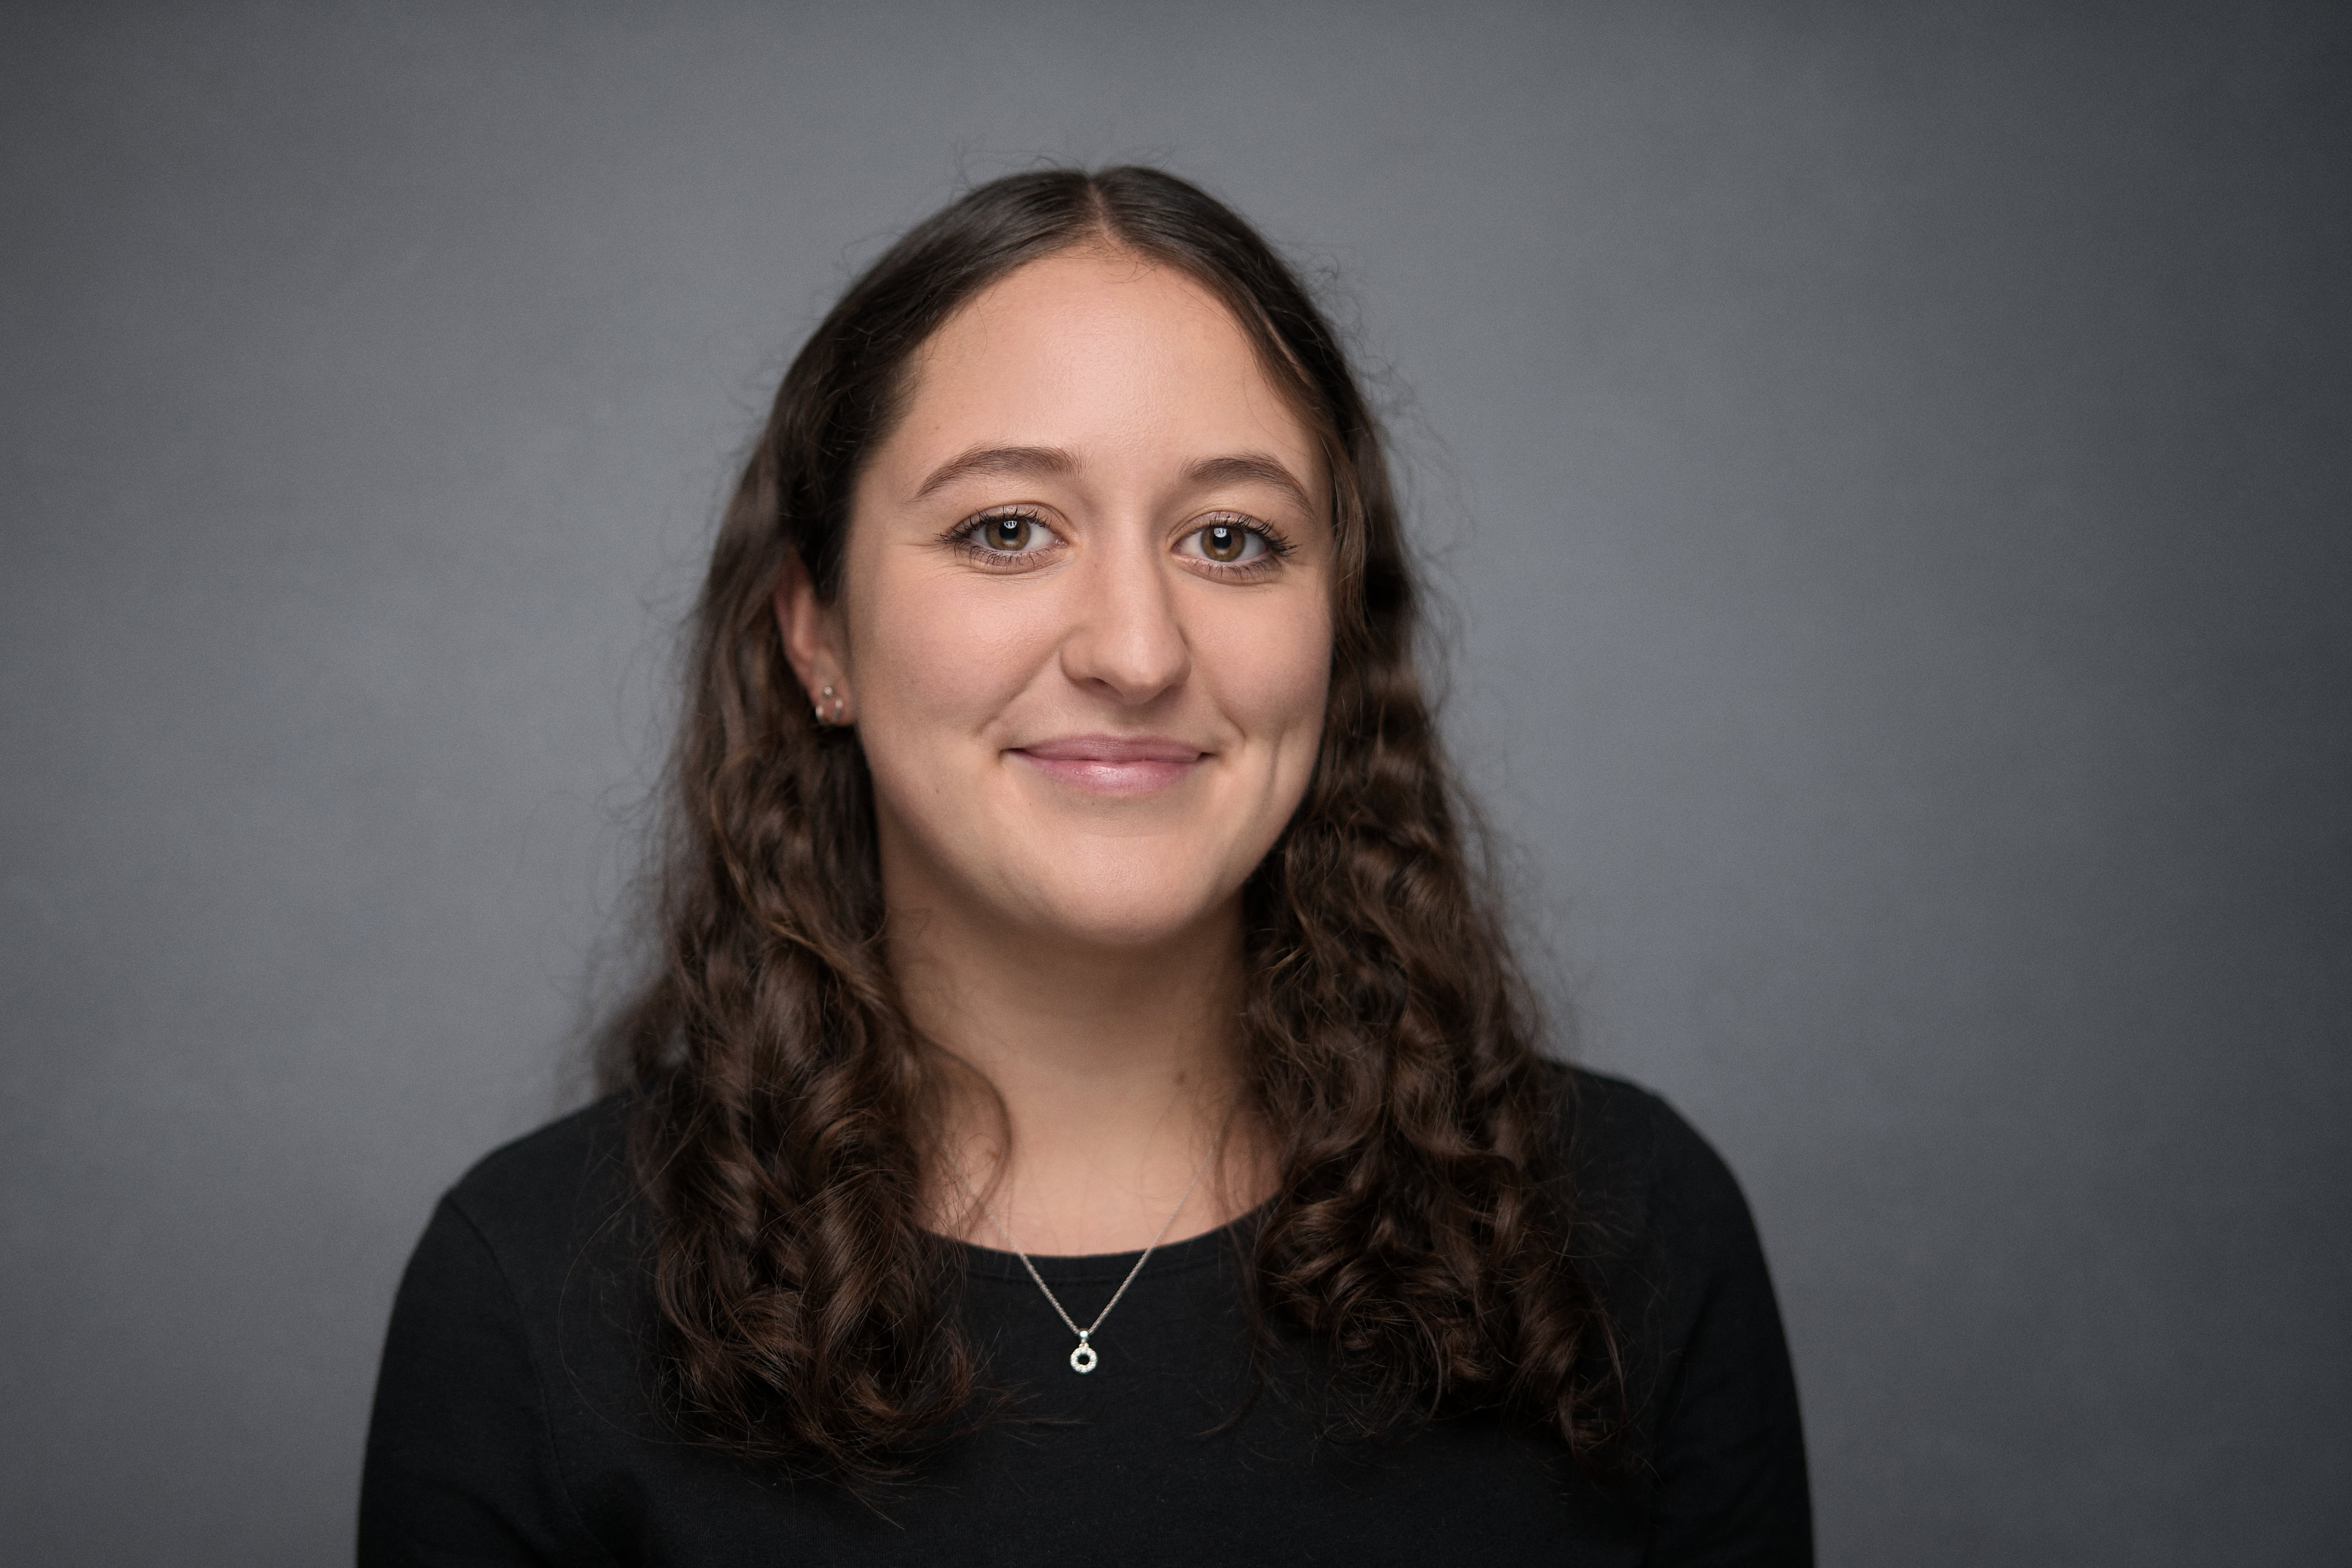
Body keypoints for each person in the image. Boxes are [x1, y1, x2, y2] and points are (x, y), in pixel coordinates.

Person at [358, 166, 1812, 1565]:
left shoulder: (1635, 1232)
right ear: (817, 635)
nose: (1135, 649)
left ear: (1338, 632)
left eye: (1233, 539)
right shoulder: (527, 1291)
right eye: (1007, 530)